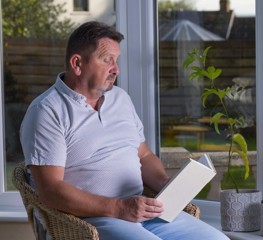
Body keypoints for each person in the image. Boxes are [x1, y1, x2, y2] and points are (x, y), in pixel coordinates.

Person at [20, 21, 229, 240]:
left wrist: (165, 185)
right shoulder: (47, 111)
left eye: (116, 60)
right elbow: (51, 191)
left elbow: (145, 155)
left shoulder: (120, 98)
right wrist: (118, 208)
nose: (116, 69)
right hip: (92, 218)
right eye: (107, 60)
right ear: (77, 64)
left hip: (145, 211)